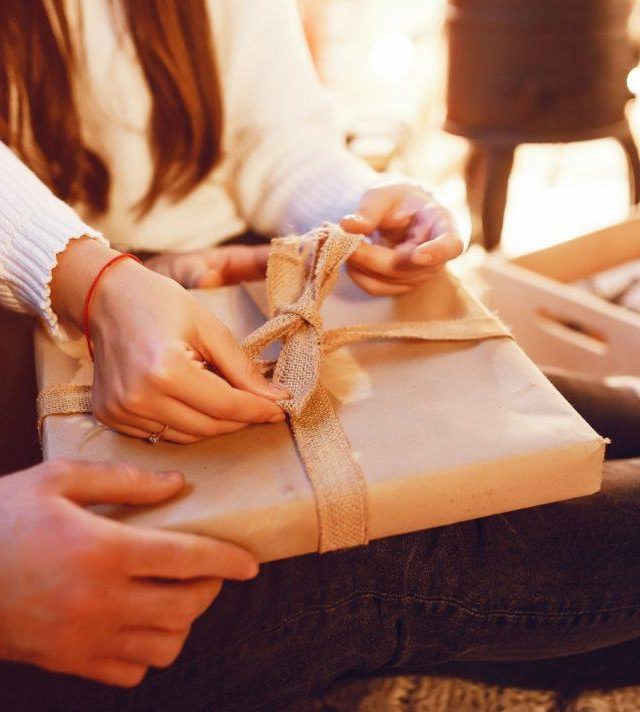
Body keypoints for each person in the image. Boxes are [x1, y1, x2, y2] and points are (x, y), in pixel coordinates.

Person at [1, 2, 639, 710]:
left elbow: (276, 136)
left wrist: (355, 211)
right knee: (414, 546)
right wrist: (91, 280)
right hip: (46, 357)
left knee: (552, 412)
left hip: (184, 290)